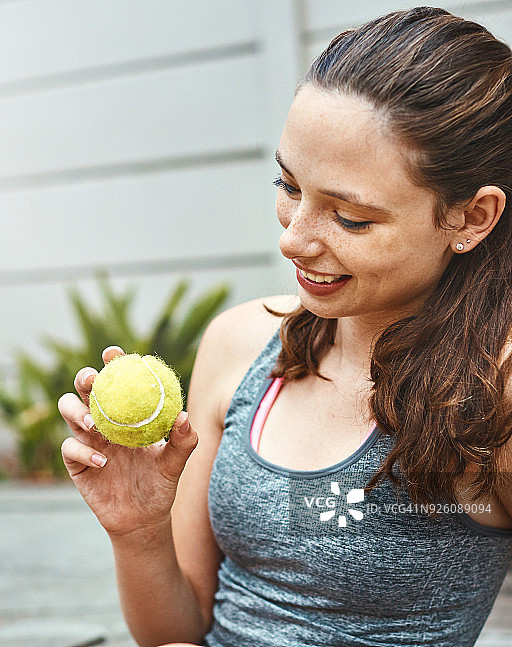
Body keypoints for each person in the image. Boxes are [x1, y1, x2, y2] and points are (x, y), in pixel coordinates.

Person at [57, 7, 512, 647]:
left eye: (351, 218)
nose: (293, 240)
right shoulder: (239, 344)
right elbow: (175, 631)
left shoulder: (492, 393)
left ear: (472, 217)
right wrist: (136, 529)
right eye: (290, 185)